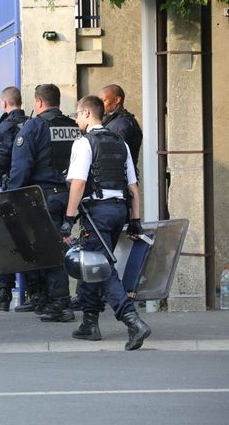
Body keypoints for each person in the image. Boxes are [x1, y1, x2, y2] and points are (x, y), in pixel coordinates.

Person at [61, 94, 151, 351]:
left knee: (102, 268)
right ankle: (90, 323)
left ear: (87, 114)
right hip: (118, 211)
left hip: (97, 213)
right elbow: (133, 186)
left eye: (78, 114)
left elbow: (77, 183)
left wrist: (68, 218)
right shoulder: (119, 142)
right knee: (92, 265)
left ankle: (132, 320)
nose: (77, 119)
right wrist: (135, 220)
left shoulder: (84, 143)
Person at [8, 84, 80, 322]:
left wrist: (11, 196)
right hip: (69, 195)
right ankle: (45, 299)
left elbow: (21, 167)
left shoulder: (34, 126)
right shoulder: (74, 126)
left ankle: (60, 303)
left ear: (38, 102)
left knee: (50, 251)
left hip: (43, 196)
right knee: (49, 247)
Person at [0, 86, 37, 312]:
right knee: (30, 243)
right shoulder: (31, 124)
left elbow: (0, 163)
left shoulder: (4, 127)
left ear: (4, 103)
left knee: (7, 243)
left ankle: (3, 293)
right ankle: (34, 294)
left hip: (11, 191)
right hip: (33, 191)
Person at [98, 84, 142, 171]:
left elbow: (111, 155)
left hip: (118, 179)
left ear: (117, 100)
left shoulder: (121, 123)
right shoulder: (115, 120)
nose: (100, 106)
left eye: (103, 101)